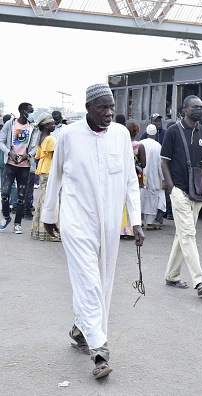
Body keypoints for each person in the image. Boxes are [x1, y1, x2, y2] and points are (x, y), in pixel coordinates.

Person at [41, 83, 144, 379]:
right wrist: (50, 214)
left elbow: (129, 180)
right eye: (103, 107)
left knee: (103, 281)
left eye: (112, 107)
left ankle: (80, 327)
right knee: (88, 280)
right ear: (88, 108)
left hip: (110, 223)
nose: (109, 113)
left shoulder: (122, 136)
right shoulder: (69, 136)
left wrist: (135, 221)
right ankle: (100, 351)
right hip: (76, 220)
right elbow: (55, 175)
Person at [161, 95, 202, 296]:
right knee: (189, 233)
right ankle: (199, 280)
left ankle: (171, 275)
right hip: (179, 190)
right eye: (195, 107)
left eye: (201, 107)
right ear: (185, 109)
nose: (198, 110)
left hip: (195, 192)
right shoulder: (173, 131)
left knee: (182, 234)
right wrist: (172, 188)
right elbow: (164, 161)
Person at [0, 102, 37, 234]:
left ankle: (18, 224)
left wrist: (27, 155)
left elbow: (36, 146)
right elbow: (1, 141)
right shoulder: (10, 124)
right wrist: (8, 152)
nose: (32, 113)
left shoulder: (33, 127)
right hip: (10, 164)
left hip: (25, 166)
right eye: (30, 111)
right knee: (4, 193)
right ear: (23, 111)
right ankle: (6, 217)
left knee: (21, 196)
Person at [30, 113, 60, 241]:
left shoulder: (42, 138)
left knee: (43, 199)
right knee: (50, 200)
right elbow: (56, 156)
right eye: (52, 123)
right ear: (46, 126)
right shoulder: (50, 139)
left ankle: (39, 230)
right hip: (49, 170)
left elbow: (38, 155)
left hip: (43, 170)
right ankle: (48, 231)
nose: (54, 125)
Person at [120, 120, 146, 238]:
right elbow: (144, 164)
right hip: (134, 176)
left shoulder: (120, 144)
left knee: (122, 203)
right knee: (133, 201)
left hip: (121, 176)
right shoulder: (139, 146)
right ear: (137, 131)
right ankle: (131, 228)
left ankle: (122, 228)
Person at [140, 124, 166, 229]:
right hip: (154, 178)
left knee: (140, 198)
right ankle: (150, 223)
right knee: (152, 200)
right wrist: (164, 179)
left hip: (141, 177)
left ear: (146, 133)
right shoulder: (158, 146)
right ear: (155, 134)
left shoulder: (140, 143)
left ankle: (139, 221)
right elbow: (161, 165)